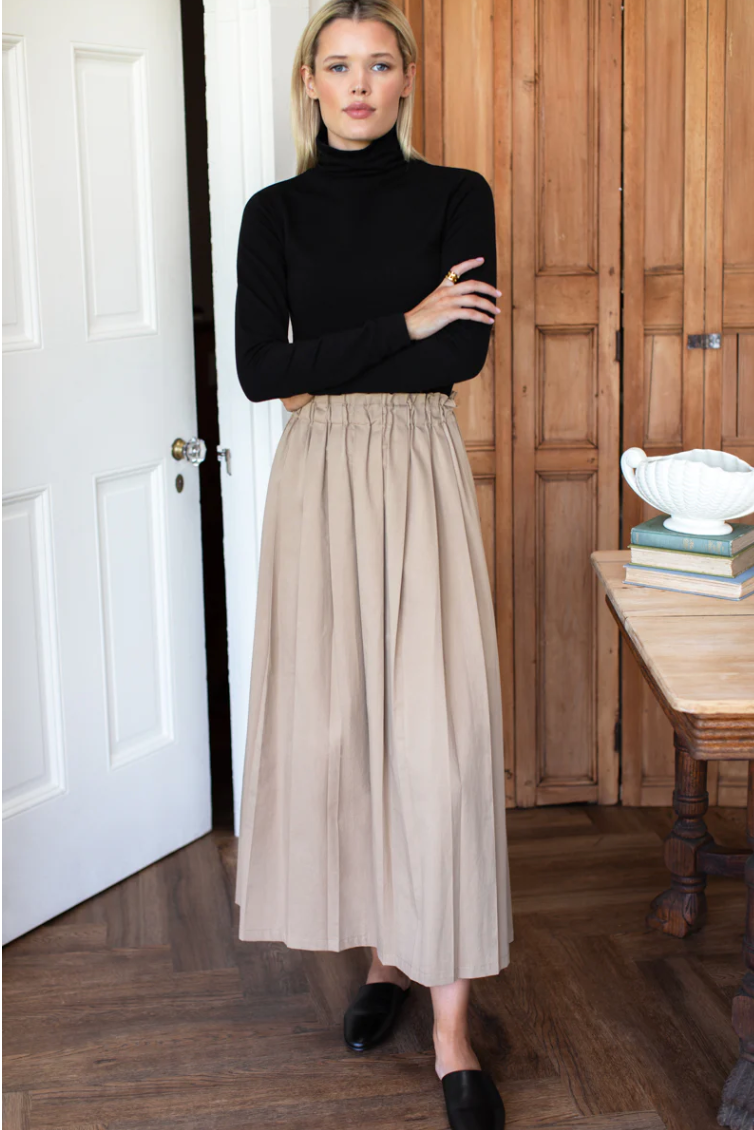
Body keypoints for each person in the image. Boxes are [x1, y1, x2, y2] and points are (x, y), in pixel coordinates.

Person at [233, 3, 513, 1126]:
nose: (358, 84)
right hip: (318, 486)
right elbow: (262, 371)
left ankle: (453, 1031)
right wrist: (405, 316)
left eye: (378, 65)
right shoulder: (273, 213)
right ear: (309, 82)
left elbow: (467, 350)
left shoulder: (456, 193)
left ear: (407, 79)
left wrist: (330, 362)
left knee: (434, 742)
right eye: (337, 66)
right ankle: (385, 963)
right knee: (339, 727)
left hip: (417, 469)